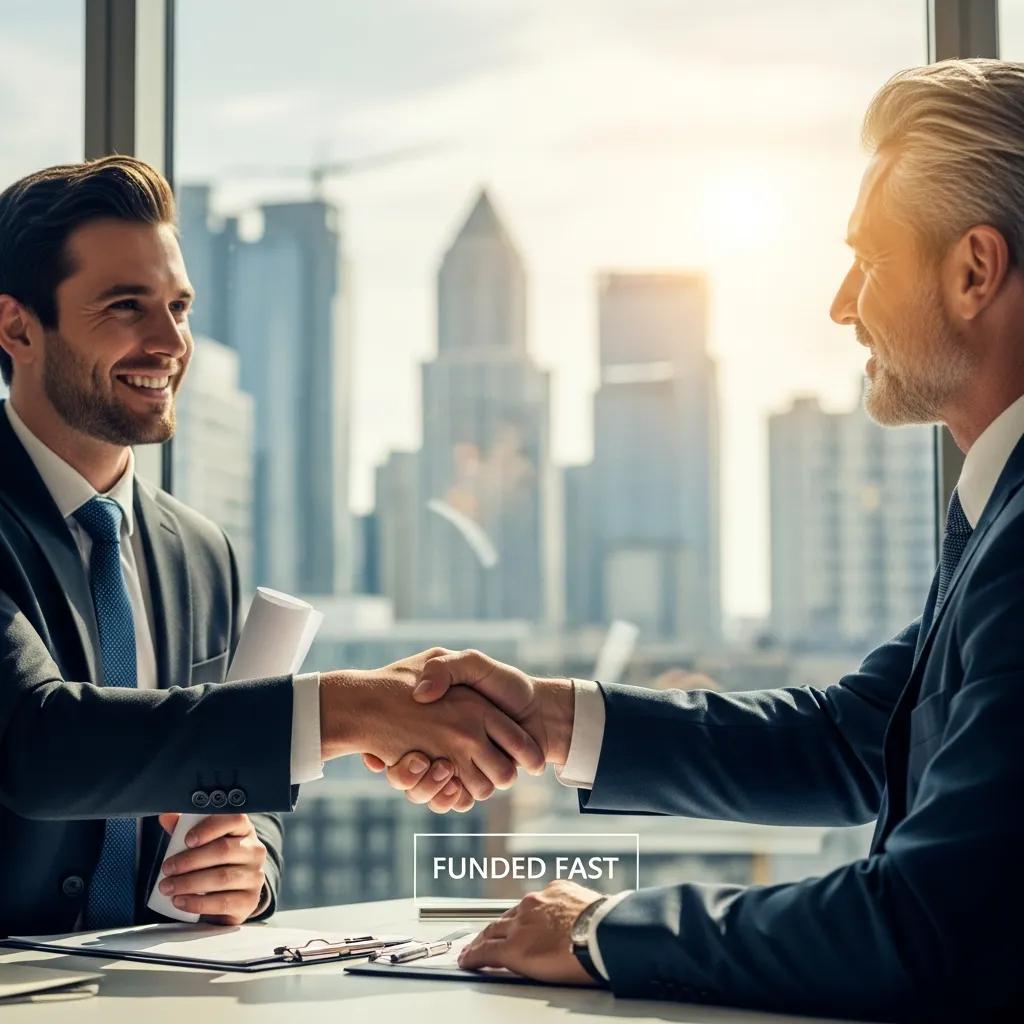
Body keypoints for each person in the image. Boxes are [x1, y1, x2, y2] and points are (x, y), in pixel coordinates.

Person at [370, 59, 1024, 1021]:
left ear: (974, 271)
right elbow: (851, 739)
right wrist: (549, 719)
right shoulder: (999, 511)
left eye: (870, 260)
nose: (842, 303)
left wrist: (599, 931)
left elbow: (925, 927)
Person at [0, 157, 542, 937]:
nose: (170, 342)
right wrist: (349, 709)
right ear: (18, 327)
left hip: (158, 986)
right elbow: (36, 744)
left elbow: (226, 770)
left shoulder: (198, 551)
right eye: (126, 307)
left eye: (179, 307)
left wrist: (248, 867)